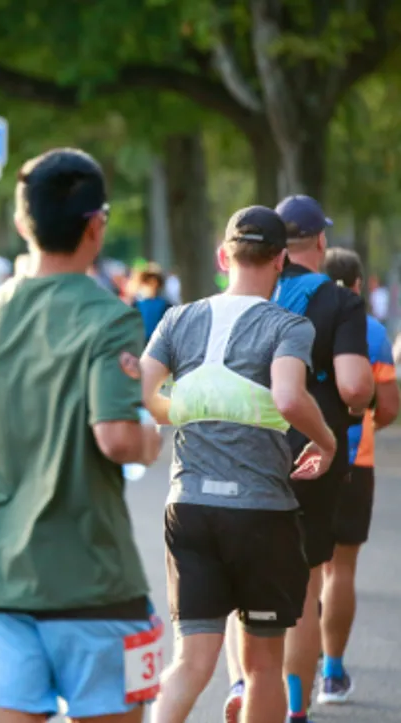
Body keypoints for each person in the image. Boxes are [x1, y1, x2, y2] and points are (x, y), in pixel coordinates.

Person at [0, 148, 162, 723]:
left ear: (20, 223)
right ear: (96, 224)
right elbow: (115, 437)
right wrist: (151, 438)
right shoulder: (110, 316)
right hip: (95, 581)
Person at [139, 206, 336, 723]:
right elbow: (290, 399)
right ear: (280, 261)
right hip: (260, 512)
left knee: (191, 662)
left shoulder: (177, 319)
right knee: (263, 666)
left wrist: (176, 412)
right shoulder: (288, 325)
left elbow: (141, 391)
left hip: (189, 507)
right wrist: (327, 441)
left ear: (223, 256)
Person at [249, 195, 373, 723]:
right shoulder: (338, 303)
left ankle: (245, 686)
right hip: (310, 456)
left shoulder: (249, 291)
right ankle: (296, 708)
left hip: (244, 451)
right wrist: (355, 402)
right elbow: (354, 386)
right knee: (303, 586)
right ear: (321, 242)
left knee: (250, 582)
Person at [317, 248, 399, 705]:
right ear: (358, 286)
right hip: (355, 461)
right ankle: (331, 673)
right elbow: (387, 406)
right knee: (341, 569)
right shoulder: (371, 332)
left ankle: (295, 672)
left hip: (303, 458)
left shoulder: (298, 317)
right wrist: (366, 426)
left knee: (307, 567)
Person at [131, 263, 172, 343]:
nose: (151, 284)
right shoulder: (136, 305)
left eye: (154, 281)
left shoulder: (165, 305)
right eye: (147, 281)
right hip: (141, 343)